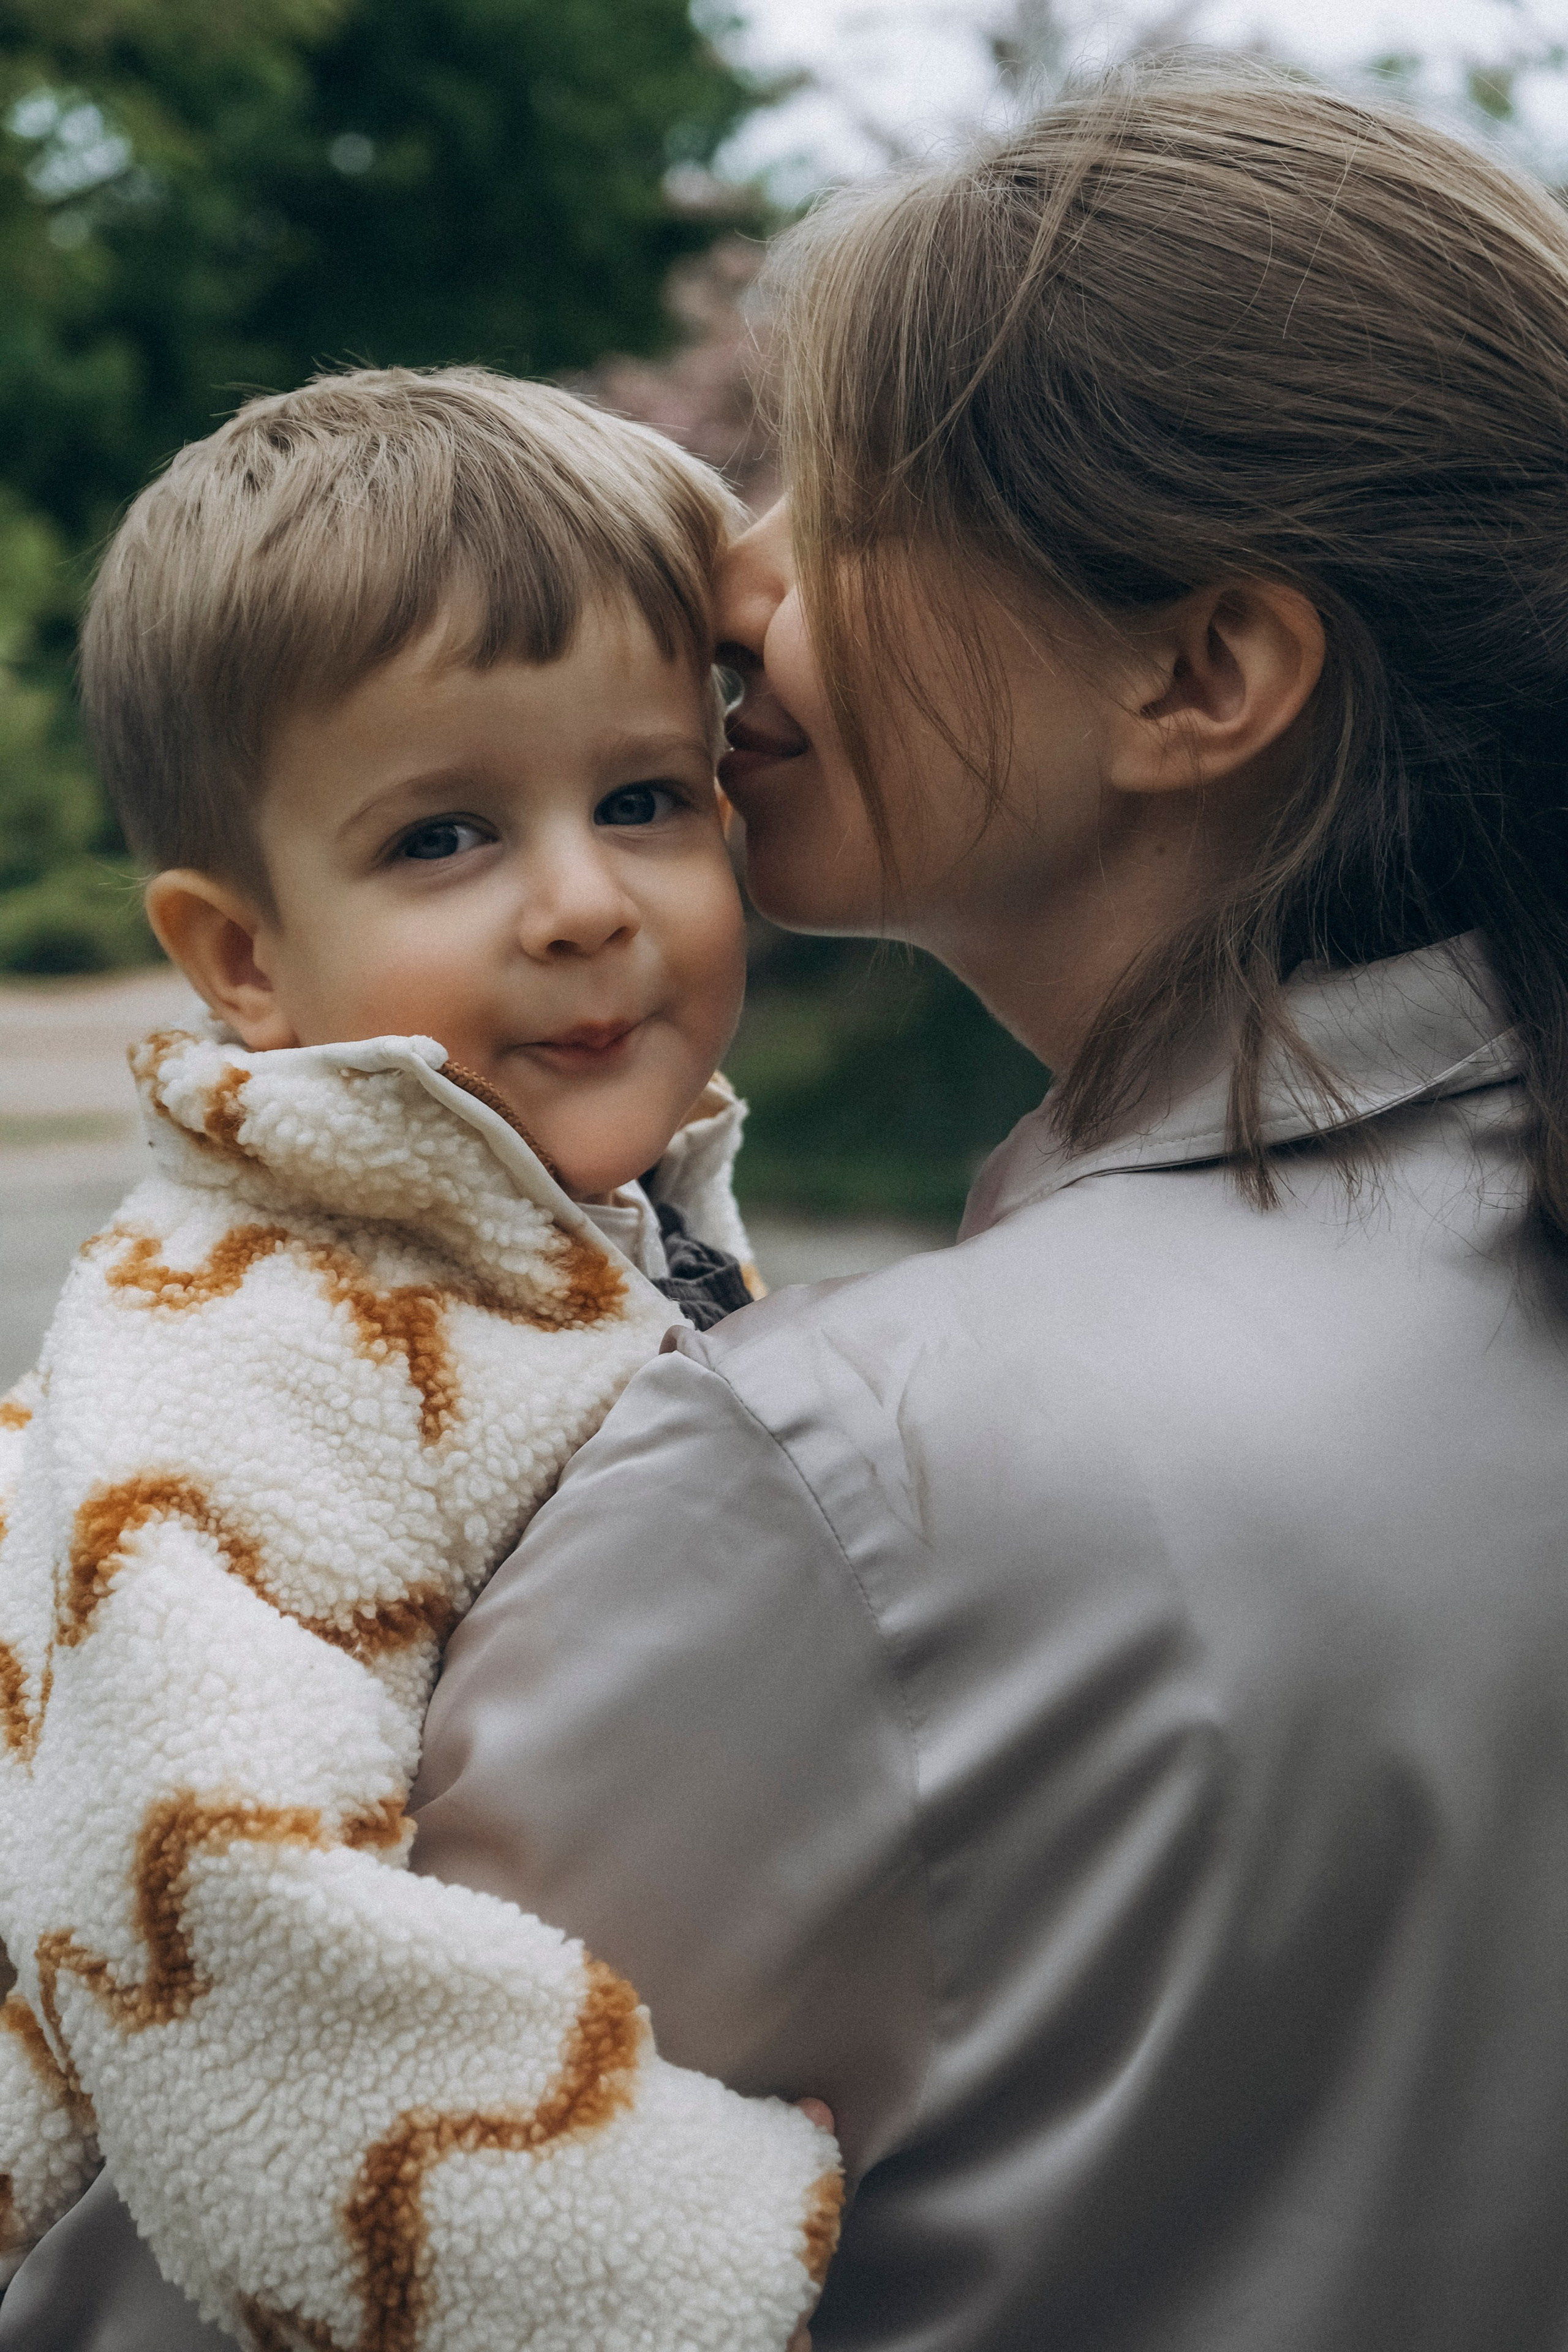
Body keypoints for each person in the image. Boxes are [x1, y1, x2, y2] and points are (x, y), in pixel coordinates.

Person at [13, 53, 1568, 2351]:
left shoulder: (849, 1478)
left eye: (839, 496)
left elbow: (231, 2253)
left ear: (1203, 670)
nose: (733, 573)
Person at [0, 368, 838, 2351]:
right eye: (446, 836)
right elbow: (220, 1923)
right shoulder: (245, 1354)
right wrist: (716, 2261)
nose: (579, 906)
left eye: (644, 799)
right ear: (242, 961)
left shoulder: (533, 1236)